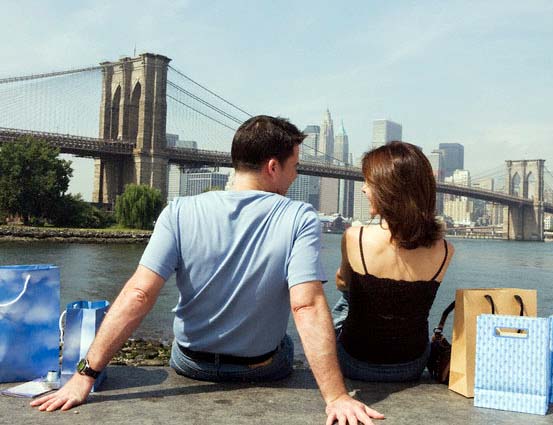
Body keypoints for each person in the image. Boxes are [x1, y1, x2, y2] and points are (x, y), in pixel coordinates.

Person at [32, 116, 384, 424]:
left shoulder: (178, 210)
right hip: (262, 367)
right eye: (295, 166)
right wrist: (336, 397)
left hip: (191, 363)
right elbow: (305, 305)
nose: (295, 176)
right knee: (286, 342)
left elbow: (139, 294)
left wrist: (85, 375)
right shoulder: (298, 216)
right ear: (273, 167)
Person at [333, 141, 454, 382]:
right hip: (411, 365)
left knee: (347, 298)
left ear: (388, 190)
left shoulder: (354, 237)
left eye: (368, 182)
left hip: (354, 363)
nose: (363, 190)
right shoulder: (446, 250)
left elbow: (342, 282)